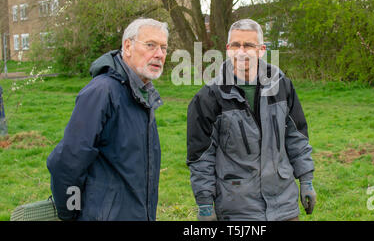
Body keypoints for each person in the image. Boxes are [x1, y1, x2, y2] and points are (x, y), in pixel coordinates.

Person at [186, 19, 316, 221]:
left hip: (284, 205)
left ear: (261, 50)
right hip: (238, 209)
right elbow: (201, 157)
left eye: (248, 45)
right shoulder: (209, 97)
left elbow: (296, 137)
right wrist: (204, 203)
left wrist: (306, 180)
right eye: (235, 45)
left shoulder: (282, 87)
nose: (241, 51)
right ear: (228, 49)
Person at [47, 18, 168, 221]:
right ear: (128, 46)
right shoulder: (102, 92)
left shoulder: (142, 93)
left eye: (164, 48)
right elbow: (67, 163)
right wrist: (70, 213)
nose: (159, 54)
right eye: (150, 45)